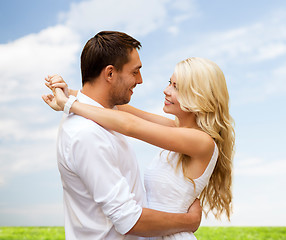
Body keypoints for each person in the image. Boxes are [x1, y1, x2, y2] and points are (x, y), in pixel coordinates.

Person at [43, 56, 235, 239]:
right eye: (170, 82)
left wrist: (69, 104)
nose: (166, 90)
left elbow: (129, 125)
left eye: (177, 87)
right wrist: (66, 92)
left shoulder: (201, 142)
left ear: (198, 95)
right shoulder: (177, 129)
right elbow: (121, 109)